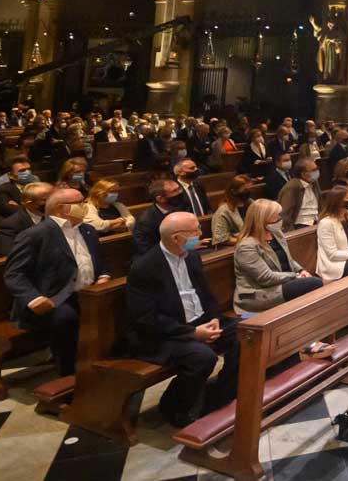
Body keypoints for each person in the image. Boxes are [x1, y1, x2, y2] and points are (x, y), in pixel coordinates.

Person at [125, 209, 239, 427]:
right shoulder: (144, 267)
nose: (199, 232)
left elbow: (206, 295)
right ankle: (172, 406)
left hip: (198, 322)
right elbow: (145, 319)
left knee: (245, 332)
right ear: (176, 238)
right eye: (194, 230)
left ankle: (221, 394)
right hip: (162, 334)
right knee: (202, 357)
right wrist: (192, 333)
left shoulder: (192, 257)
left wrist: (214, 318)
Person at [5, 187, 110, 377]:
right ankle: (67, 375)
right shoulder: (35, 234)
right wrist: (34, 299)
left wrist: (104, 275)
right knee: (67, 319)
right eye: (80, 202)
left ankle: (101, 366)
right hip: (53, 297)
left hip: (87, 293)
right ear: (62, 209)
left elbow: (99, 261)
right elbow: (14, 273)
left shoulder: (87, 230)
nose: (85, 205)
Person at [233, 199, 322, 311]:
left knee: (313, 281)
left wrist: (301, 271)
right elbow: (265, 278)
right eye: (276, 217)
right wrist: (294, 276)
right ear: (262, 220)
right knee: (313, 283)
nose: (280, 219)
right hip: (260, 293)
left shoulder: (276, 233)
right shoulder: (247, 246)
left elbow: (289, 259)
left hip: (283, 282)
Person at [0, 180, 52, 256]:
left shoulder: (56, 216)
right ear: (29, 203)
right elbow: (8, 252)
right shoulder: (10, 225)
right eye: (45, 200)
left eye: (52, 198)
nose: (51, 203)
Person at [134, 178, 184, 255]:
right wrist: (182, 249)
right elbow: (147, 249)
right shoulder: (146, 221)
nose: (180, 192)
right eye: (175, 191)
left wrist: (190, 245)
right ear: (160, 199)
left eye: (179, 189)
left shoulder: (181, 207)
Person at [209, 175, 256, 246]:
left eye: (250, 189)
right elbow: (220, 238)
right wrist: (247, 241)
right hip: (235, 246)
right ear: (234, 191)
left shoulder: (251, 203)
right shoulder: (223, 211)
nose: (248, 192)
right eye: (245, 190)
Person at [276, 160, 321, 229]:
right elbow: (285, 214)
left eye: (317, 168)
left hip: (316, 220)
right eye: (313, 170)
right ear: (303, 174)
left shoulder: (314, 183)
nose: (317, 171)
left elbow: (320, 205)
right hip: (301, 225)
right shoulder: (292, 187)